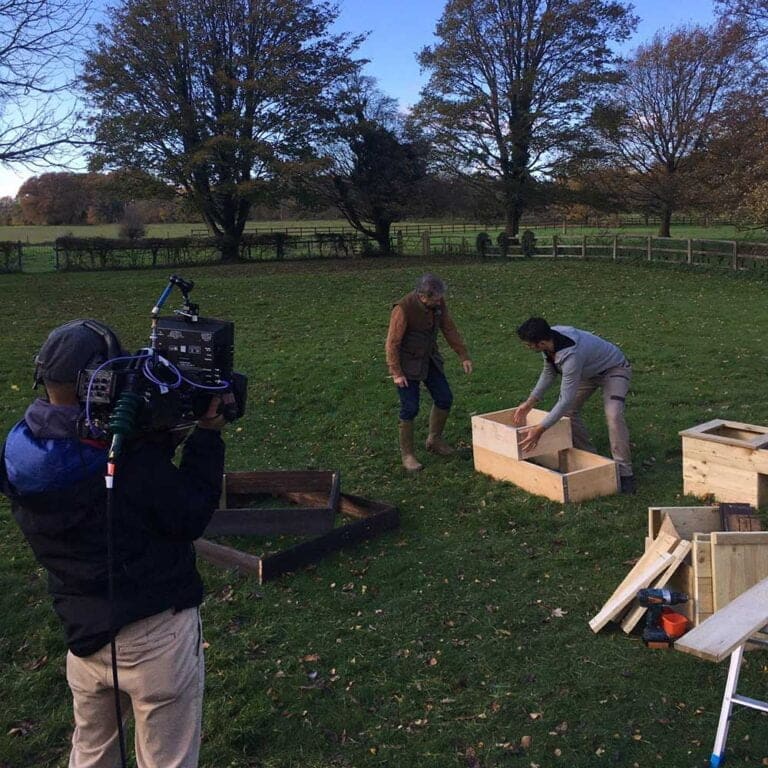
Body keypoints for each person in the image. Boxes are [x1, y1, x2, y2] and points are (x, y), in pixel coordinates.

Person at [0, 319, 227, 767]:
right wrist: (208, 435)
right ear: (97, 383)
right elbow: (189, 513)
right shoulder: (127, 469)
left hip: (83, 633)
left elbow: (106, 478)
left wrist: (146, 438)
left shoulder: (23, 456)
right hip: (155, 634)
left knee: (93, 752)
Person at [512, 317, 635, 494]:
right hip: (586, 371)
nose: (528, 347)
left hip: (613, 369)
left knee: (613, 415)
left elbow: (565, 399)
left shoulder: (571, 355)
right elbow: (549, 371)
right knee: (568, 413)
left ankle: (625, 472)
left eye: (529, 345)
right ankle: (591, 459)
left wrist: (540, 429)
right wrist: (529, 402)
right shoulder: (549, 339)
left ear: (541, 343)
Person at [385, 273, 473, 471]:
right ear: (422, 297)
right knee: (410, 408)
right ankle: (408, 455)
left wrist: (463, 355)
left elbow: (449, 328)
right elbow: (392, 343)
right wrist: (396, 372)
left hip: (430, 359)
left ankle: (434, 440)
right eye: (435, 299)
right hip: (407, 365)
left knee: (444, 398)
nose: (439, 302)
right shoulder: (403, 309)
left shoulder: (438, 303)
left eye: (440, 298)